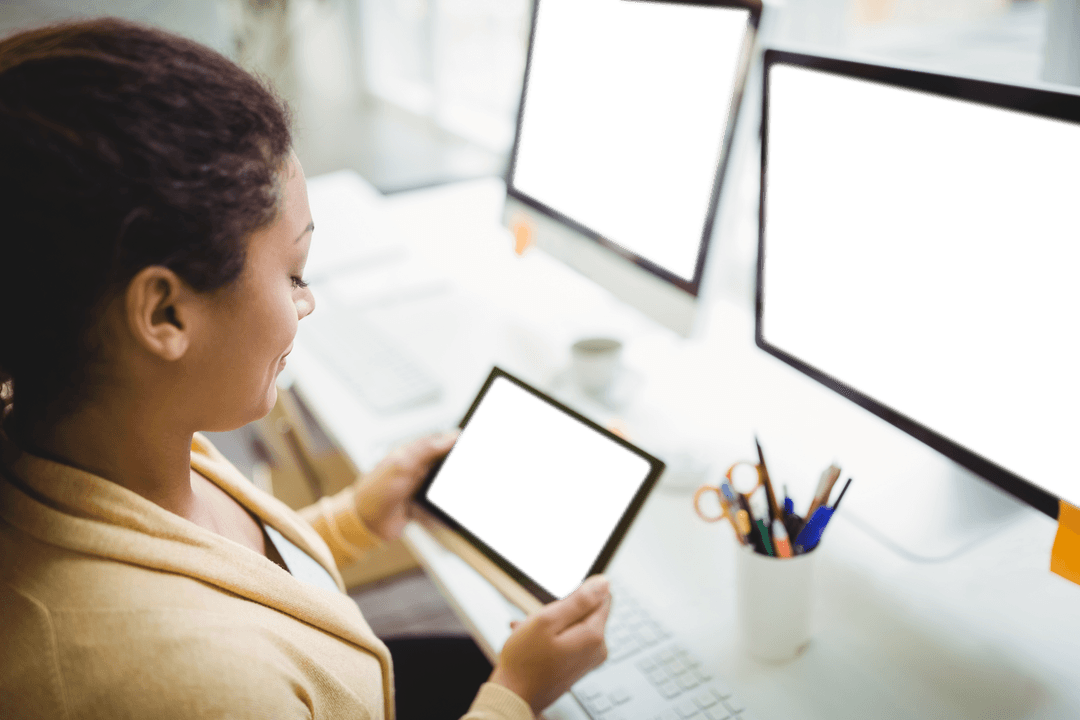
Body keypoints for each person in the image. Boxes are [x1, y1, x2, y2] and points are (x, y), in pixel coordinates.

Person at [0, 18, 611, 720]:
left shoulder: (104, 440)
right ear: (165, 313)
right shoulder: (195, 686)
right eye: (293, 271)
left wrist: (353, 518)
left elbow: (230, 573)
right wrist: (516, 695)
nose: (307, 300)